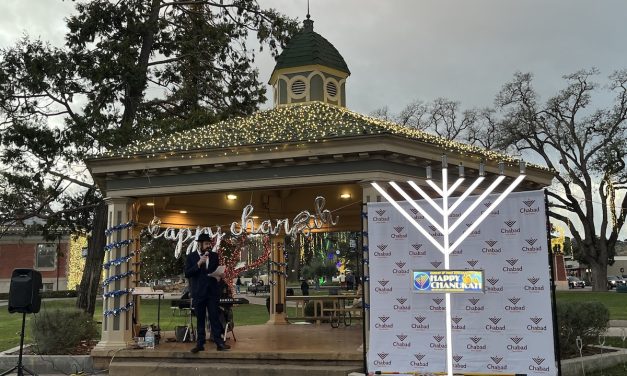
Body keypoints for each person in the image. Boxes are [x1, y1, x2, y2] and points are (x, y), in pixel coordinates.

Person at [184, 233, 230, 352]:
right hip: (199, 292)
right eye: (206, 244)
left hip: (212, 292)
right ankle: (200, 344)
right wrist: (199, 264)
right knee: (200, 318)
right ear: (199, 244)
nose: (208, 246)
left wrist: (220, 275)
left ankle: (219, 342)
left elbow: (215, 271)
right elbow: (187, 273)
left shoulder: (214, 256)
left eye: (209, 243)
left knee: (214, 317)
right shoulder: (191, 257)